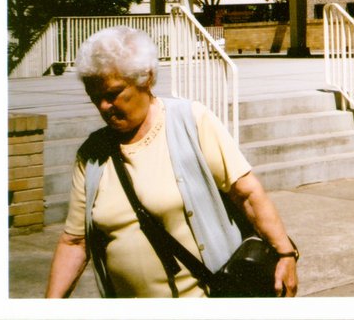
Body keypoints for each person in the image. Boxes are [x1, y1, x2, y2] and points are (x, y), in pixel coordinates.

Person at [45, 26, 299, 298]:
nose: (104, 107)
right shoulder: (93, 153)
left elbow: (246, 193)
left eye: (113, 94)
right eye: (95, 98)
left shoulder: (191, 122)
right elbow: (75, 241)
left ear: (146, 78)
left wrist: (285, 253)